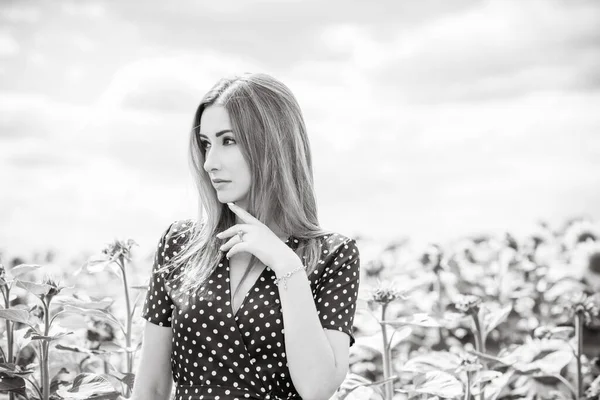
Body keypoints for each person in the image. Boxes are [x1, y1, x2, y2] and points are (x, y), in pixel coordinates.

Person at [132, 73, 361, 400]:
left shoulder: (332, 255)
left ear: (272, 145)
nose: (210, 162)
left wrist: (285, 264)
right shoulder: (180, 243)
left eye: (228, 141)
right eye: (206, 144)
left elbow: (317, 388)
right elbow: (150, 388)